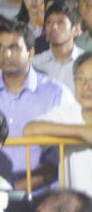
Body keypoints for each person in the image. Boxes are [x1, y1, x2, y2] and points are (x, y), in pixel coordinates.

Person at [0, 20, 75, 189]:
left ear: (31, 53)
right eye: (0, 48)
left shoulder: (56, 94)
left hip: (45, 196)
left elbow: (62, 154)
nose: (6, 54)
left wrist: (19, 187)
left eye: (14, 48)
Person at [24, 51, 92, 196]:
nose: (87, 86)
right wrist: (81, 131)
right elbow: (30, 130)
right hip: (76, 208)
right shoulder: (67, 112)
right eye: (80, 79)